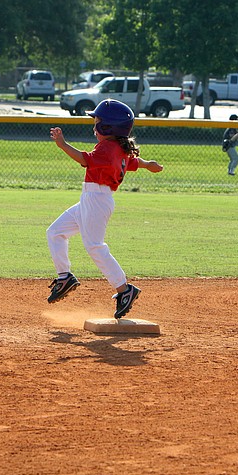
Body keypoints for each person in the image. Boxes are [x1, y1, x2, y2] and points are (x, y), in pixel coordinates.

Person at [46, 99, 163, 319]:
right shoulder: (117, 147)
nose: (94, 125)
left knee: (94, 246)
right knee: (55, 232)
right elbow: (132, 163)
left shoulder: (108, 147)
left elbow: (84, 159)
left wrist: (62, 144)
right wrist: (149, 165)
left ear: (108, 127)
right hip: (92, 198)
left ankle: (124, 289)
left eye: (97, 121)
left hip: (97, 200)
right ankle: (65, 277)